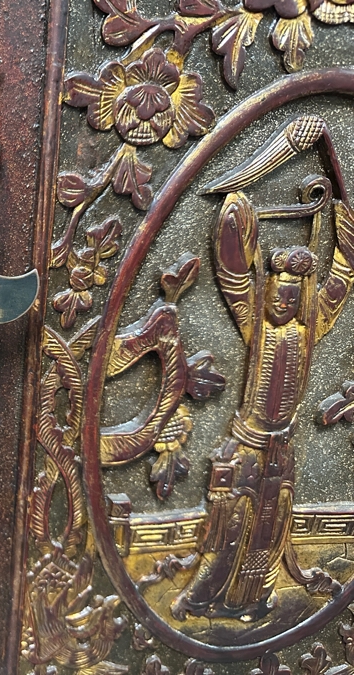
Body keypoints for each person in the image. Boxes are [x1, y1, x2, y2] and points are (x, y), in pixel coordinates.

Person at [172, 116, 354, 621]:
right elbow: (232, 261)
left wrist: (343, 220)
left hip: (282, 445)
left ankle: (252, 603)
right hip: (250, 442)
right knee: (230, 530)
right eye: (278, 290)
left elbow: (344, 271)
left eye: (294, 294)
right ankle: (199, 598)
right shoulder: (256, 320)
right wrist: (241, 198)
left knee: (270, 532)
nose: (285, 300)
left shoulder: (309, 324)